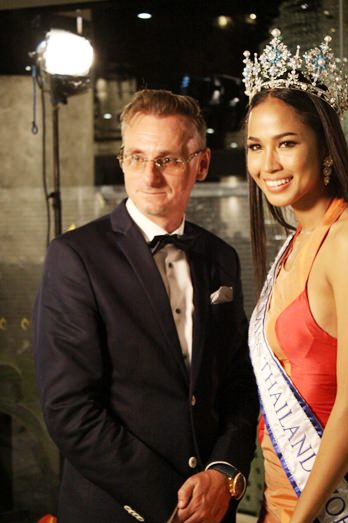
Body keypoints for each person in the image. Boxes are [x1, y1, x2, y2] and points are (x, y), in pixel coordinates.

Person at [33, 89, 259, 523]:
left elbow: (236, 382)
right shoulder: (74, 258)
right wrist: (175, 505)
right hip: (120, 511)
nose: (149, 176)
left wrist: (223, 472)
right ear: (121, 160)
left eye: (168, 160)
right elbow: (70, 410)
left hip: (214, 508)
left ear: (202, 164)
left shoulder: (221, 257)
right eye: (136, 157)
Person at [243, 30, 348, 522]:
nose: (268, 164)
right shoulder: (295, 240)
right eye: (255, 146)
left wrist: (300, 519)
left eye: (287, 144)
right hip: (278, 499)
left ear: (324, 148)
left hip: (325, 504)